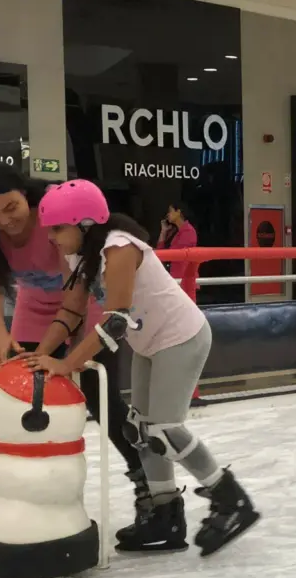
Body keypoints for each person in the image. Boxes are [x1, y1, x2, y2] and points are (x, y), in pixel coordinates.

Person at [25, 179, 260, 557]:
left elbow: (115, 321)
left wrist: (67, 363)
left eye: (57, 229)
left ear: (84, 224)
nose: (51, 238)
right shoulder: (84, 254)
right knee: (138, 429)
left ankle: (230, 500)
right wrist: (42, 354)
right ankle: (164, 515)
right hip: (148, 342)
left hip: (181, 337)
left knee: (164, 431)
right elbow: (70, 311)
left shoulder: (118, 248)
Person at [0, 163, 146, 499]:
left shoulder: (54, 210)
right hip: (34, 309)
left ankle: (147, 483)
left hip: (83, 303)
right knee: (15, 386)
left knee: (98, 392)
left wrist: (65, 355)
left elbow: (75, 298)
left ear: (27, 196)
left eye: (11, 207)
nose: (4, 221)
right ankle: (23, 484)